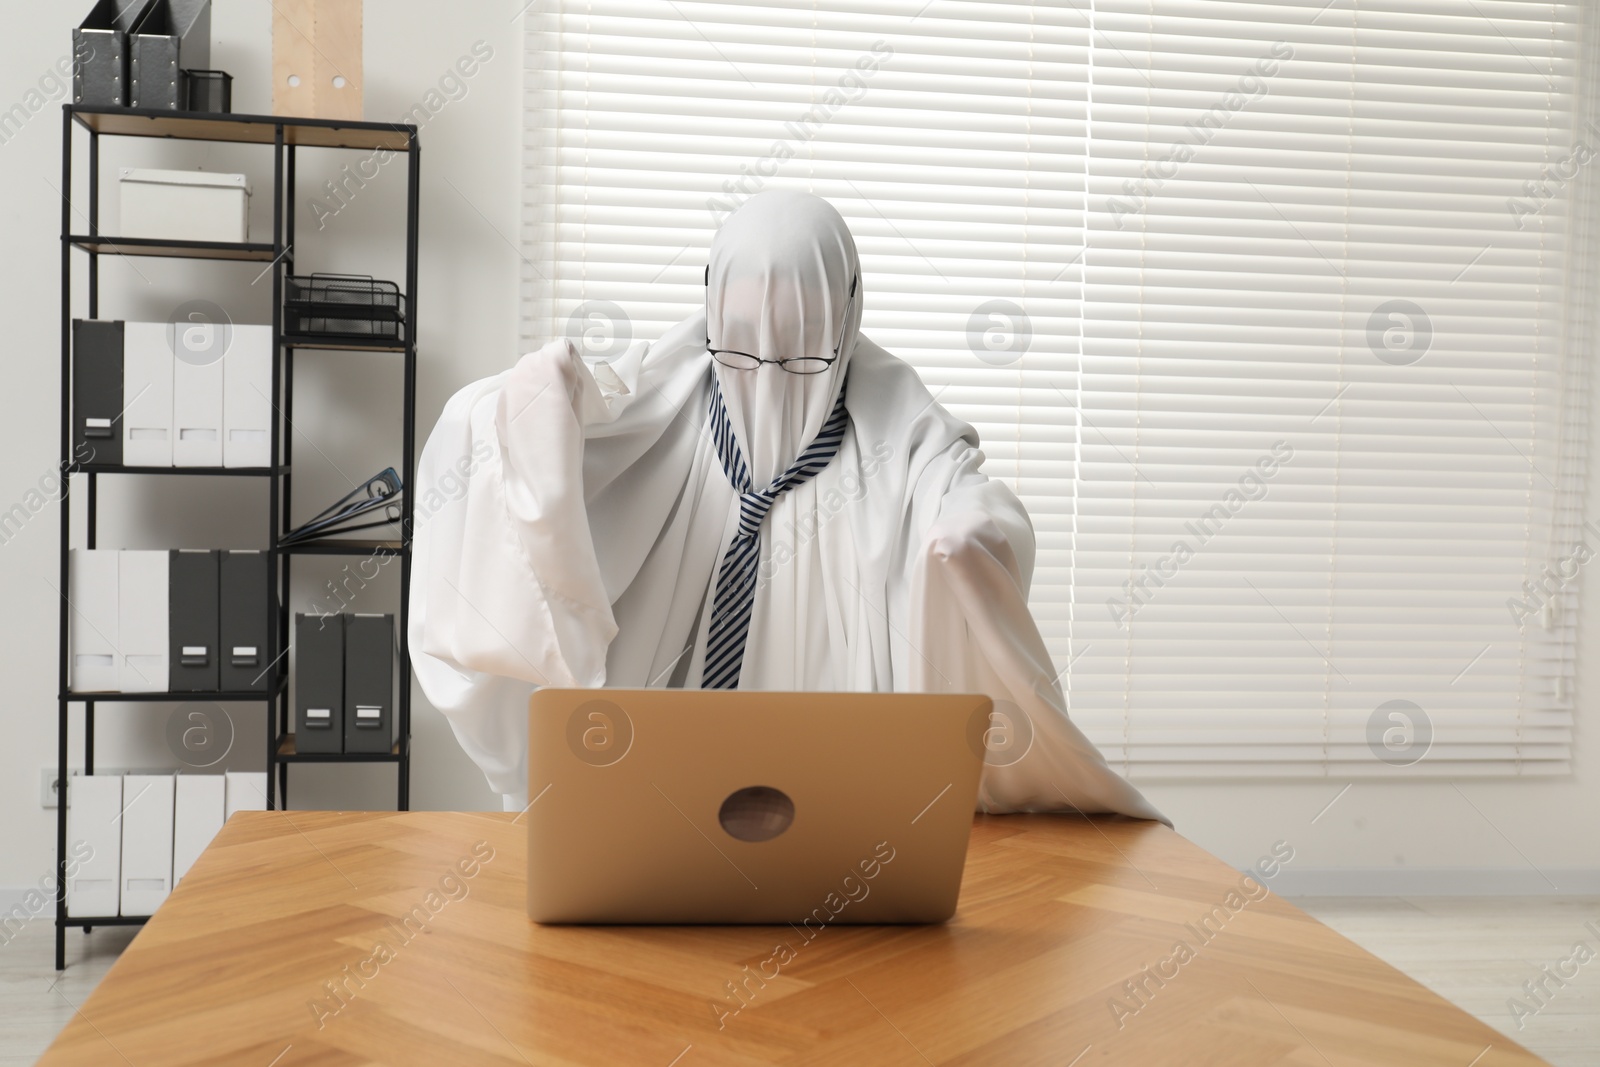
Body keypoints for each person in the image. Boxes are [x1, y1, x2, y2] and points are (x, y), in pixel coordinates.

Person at [409, 189, 1166, 824]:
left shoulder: (898, 434)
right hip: (651, 807)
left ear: (847, 321)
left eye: (801, 351)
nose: (766, 376)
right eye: (738, 346)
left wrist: (978, 531)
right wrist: (530, 410)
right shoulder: (654, 407)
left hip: (841, 827)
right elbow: (512, 446)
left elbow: (958, 485)